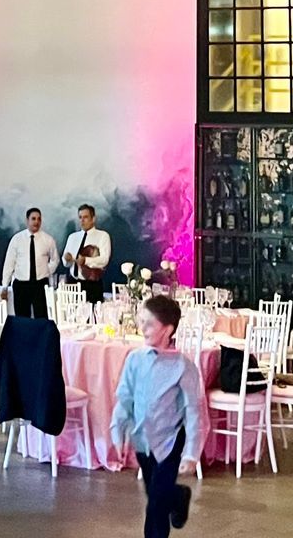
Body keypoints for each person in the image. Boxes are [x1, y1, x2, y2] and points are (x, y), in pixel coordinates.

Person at [109, 294, 204, 538]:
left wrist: (192, 453)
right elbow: (125, 397)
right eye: (141, 322)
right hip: (143, 441)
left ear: (168, 329)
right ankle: (179, 495)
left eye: (149, 324)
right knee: (157, 493)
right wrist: (117, 430)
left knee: (156, 507)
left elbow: (194, 412)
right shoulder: (135, 360)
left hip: (171, 441)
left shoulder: (184, 366)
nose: (143, 328)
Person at [1, 208, 59, 321]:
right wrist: (4, 286)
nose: (36, 222)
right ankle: (24, 339)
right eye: (33, 219)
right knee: (22, 319)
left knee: (41, 318)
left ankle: (40, 339)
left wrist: (47, 271)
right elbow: (9, 263)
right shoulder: (17, 239)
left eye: (39, 219)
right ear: (27, 220)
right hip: (21, 285)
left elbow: (55, 260)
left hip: (40, 284)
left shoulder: (48, 240)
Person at [63, 204, 111, 305]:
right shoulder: (72, 237)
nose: (82, 220)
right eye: (80, 217)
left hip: (92, 284)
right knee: (72, 316)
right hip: (73, 283)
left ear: (93, 219)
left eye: (85, 217)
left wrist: (86, 260)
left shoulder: (102, 236)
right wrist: (66, 259)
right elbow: (65, 263)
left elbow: (104, 259)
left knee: (93, 317)